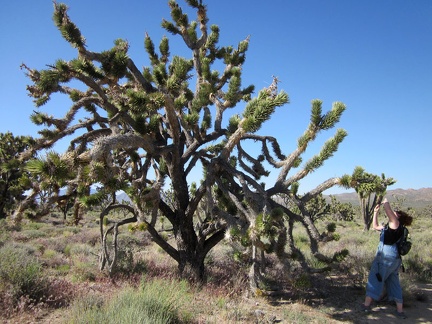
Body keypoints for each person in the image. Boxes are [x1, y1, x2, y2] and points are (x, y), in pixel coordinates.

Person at [362, 197, 413, 319]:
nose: (394, 212)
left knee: (375, 278)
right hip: (395, 260)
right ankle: (400, 311)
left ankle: (366, 305)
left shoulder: (396, 224)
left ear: (398, 217)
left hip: (385, 257)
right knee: (394, 283)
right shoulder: (391, 227)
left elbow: (389, 212)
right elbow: (375, 226)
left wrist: (385, 202)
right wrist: (375, 212)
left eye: (396, 212)